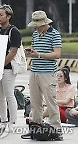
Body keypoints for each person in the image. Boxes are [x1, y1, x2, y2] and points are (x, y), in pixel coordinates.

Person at [25, 10, 63, 140]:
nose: (36, 27)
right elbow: (36, 50)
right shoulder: (35, 34)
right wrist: (32, 53)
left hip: (48, 73)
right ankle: (36, 128)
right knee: (35, 103)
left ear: (45, 23)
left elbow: (57, 54)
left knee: (50, 101)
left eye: (38, 25)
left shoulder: (55, 34)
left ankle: (57, 130)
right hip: (34, 71)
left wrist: (39, 55)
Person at [0, 4, 21, 131]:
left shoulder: (14, 31)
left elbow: (13, 51)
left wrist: (1, 65)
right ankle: (3, 120)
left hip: (8, 68)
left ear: (8, 16)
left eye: (1, 15)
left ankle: (13, 121)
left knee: (9, 94)